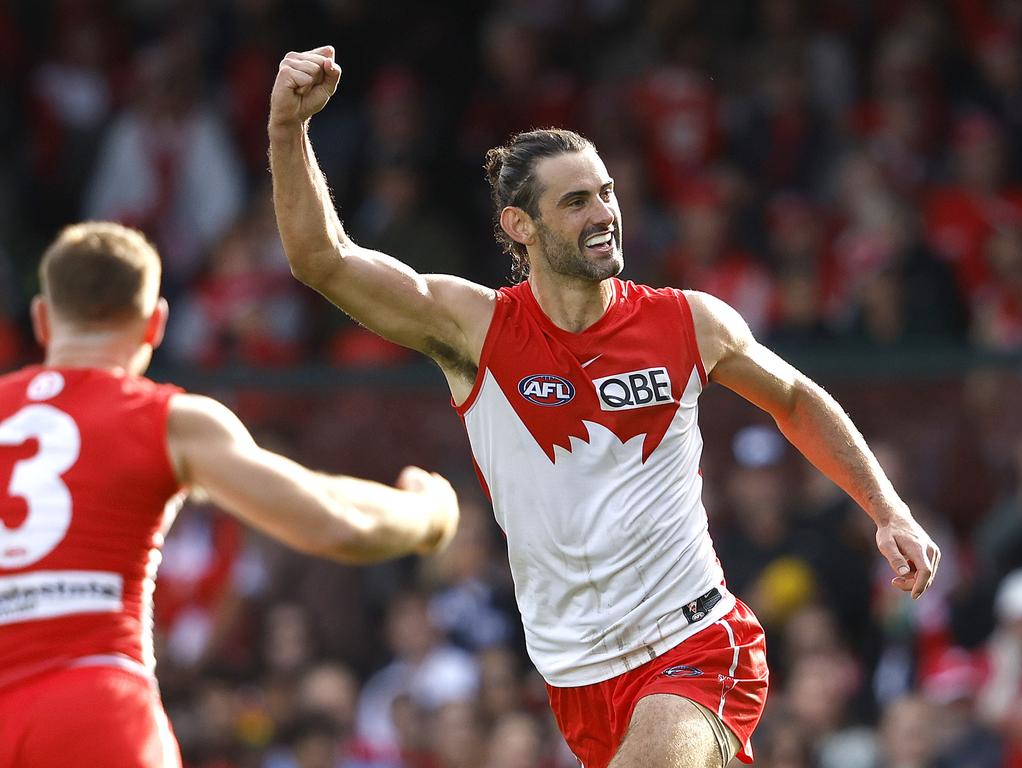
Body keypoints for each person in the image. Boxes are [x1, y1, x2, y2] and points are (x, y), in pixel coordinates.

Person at [267, 46, 941, 768]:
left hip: (698, 646)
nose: (604, 214)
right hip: (578, 681)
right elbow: (323, 260)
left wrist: (888, 510)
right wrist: (287, 131)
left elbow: (797, 400)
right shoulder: (476, 327)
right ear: (521, 227)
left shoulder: (690, 322)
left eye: (608, 192)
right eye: (576, 201)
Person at [0, 221, 459, 767]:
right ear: (155, 324)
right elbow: (329, 520)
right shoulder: (169, 419)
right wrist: (425, 514)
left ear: (43, 321)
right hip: (96, 700)